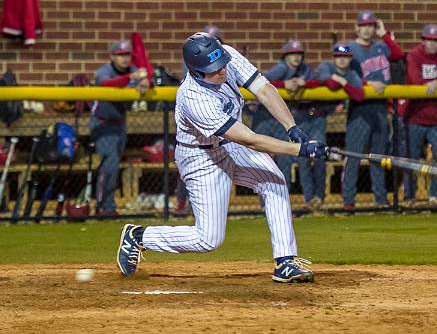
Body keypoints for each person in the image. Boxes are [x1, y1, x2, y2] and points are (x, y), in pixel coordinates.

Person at [116, 32, 327, 283]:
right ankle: (139, 236)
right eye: (212, 69)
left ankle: (285, 262)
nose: (221, 71)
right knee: (208, 239)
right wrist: (299, 150)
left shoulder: (227, 56)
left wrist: (292, 128)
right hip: (201, 158)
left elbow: (264, 89)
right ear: (195, 71)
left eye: (221, 64)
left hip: (230, 144)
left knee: (274, 181)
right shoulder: (194, 97)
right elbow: (249, 138)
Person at [343, 10, 404, 209]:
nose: (367, 29)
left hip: (380, 107)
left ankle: (380, 199)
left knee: (378, 156)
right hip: (360, 108)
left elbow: (398, 55)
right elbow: (342, 70)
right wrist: (368, 83)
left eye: (370, 25)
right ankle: (348, 201)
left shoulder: (380, 46)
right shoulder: (349, 48)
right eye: (363, 25)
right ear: (356, 27)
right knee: (353, 155)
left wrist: (384, 34)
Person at [90, 40, 150, 217]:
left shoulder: (132, 70)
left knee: (113, 165)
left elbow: (147, 83)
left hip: (120, 123)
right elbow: (107, 84)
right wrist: (132, 79)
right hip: (102, 123)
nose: (124, 59)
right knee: (109, 166)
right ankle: (104, 207)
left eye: (127, 55)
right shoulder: (104, 71)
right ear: (112, 56)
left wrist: (146, 81)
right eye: (120, 55)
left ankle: (107, 206)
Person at [403, 24, 437, 208]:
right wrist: (435, 83)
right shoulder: (414, 55)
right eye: (429, 40)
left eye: (436, 41)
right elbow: (416, 81)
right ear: (423, 40)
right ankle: (409, 197)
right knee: (411, 159)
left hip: (436, 119)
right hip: (415, 118)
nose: (433, 44)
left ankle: (434, 196)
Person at [253, 40, 314, 189]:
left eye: (299, 53)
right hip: (265, 116)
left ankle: (283, 192)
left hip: (281, 119)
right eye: (292, 53)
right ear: (286, 56)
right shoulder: (282, 67)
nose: (296, 57)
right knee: (264, 158)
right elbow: (262, 80)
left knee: (284, 158)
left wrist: (304, 82)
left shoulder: (304, 69)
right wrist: (283, 84)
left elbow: (317, 80)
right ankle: (264, 198)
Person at [176, 25, 224, 215]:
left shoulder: (225, 60)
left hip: (220, 131)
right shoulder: (196, 63)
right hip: (199, 116)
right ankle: (182, 201)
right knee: (193, 160)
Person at [314, 42, 365, 209]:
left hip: (322, 115)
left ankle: (319, 199)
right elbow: (329, 84)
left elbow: (358, 95)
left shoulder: (350, 74)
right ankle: (313, 199)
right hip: (305, 111)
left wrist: (342, 80)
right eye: (339, 56)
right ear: (333, 58)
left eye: (346, 57)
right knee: (307, 159)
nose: (342, 60)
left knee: (319, 156)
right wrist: (338, 81)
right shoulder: (325, 66)